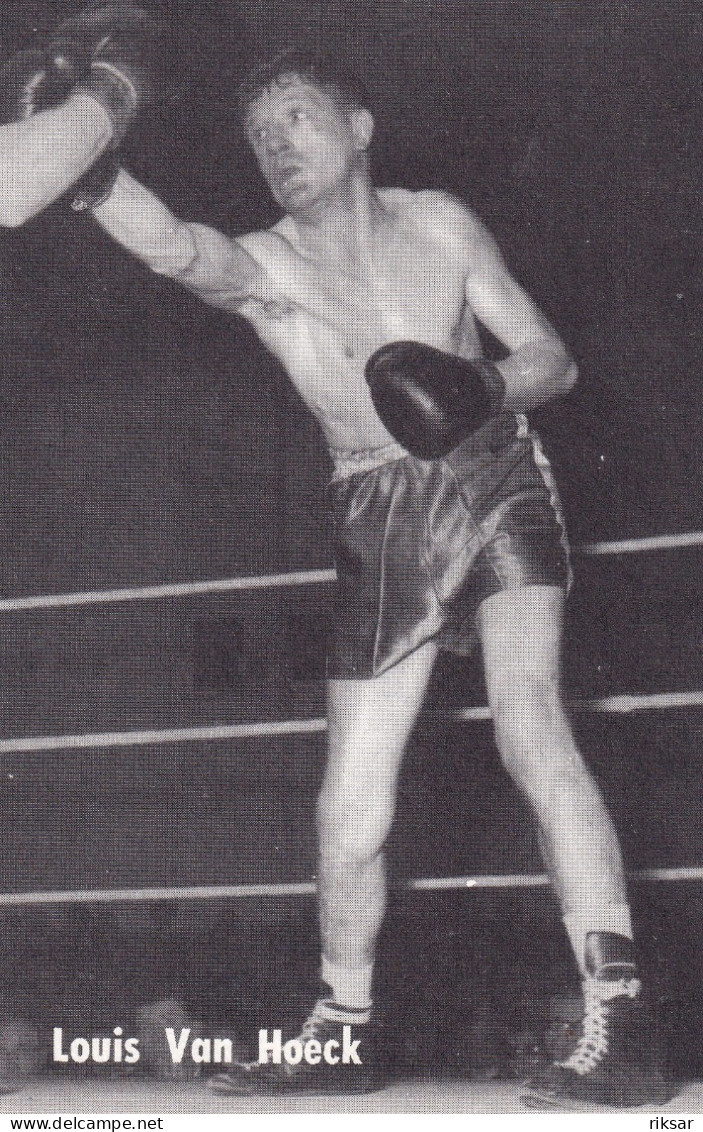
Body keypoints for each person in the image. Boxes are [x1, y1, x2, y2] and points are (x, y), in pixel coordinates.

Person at [13, 9, 672, 1109]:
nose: (277, 143)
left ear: (358, 126)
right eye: (259, 133)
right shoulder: (270, 264)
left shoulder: (442, 225)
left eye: (297, 117)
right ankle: (341, 1025)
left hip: (493, 473)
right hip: (375, 508)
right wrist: (93, 178)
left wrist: (484, 387)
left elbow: (548, 355)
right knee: (348, 806)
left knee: (530, 719)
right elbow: (187, 250)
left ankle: (621, 1019)